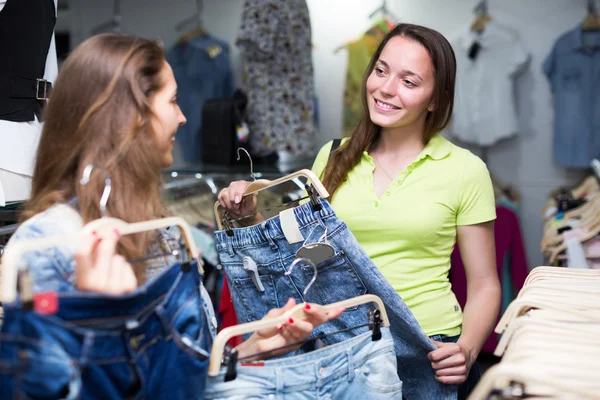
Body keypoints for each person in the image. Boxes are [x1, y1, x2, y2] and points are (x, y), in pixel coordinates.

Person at [4, 33, 344, 364]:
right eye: (172, 101)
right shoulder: (48, 244)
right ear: (132, 117)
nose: (182, 117)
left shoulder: (161, 231)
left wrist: (253, 347)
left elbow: (187, 371)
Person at [219, 23, 501, 398]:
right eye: (381, 70)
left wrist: (466, 347)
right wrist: (246, 212)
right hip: (340, 343)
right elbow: (293, 258)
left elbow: (484, 283)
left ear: (435, 98)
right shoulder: (332, 155)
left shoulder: (465, 169)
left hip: (428, 346)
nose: (385, 88)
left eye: (409, 81)